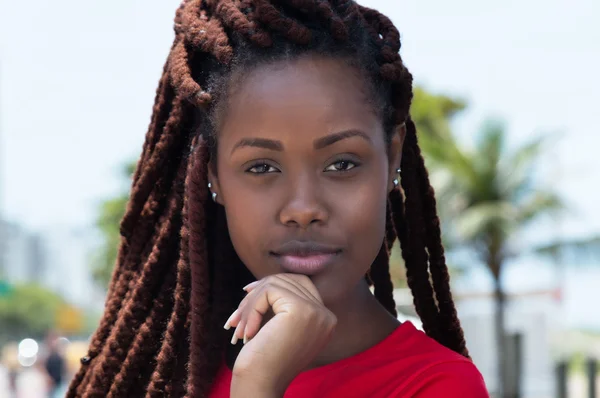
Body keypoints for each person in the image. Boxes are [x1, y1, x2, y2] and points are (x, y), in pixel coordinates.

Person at [67, 0, 489, 397]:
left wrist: (259, 385)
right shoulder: (160, 374)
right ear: (212, 174)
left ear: (391, 156)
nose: (303, 209)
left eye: (342, 164)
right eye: (261, 168)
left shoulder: (435, 385)